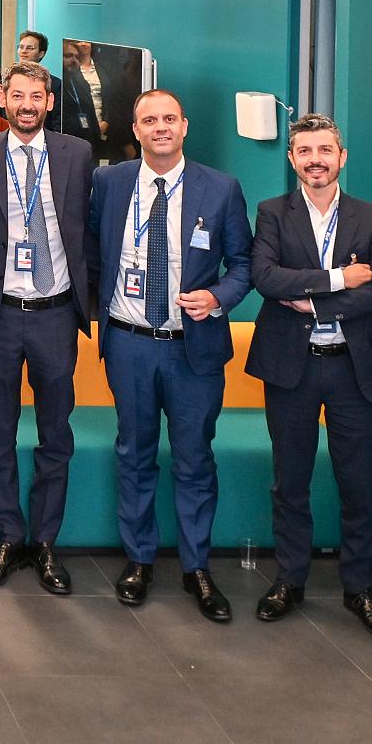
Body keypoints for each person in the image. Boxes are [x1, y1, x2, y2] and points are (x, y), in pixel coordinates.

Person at [88, 90, 252, 619]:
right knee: (134, 453)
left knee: (194, 458)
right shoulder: (109, 183)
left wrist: (218, 298)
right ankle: (138, 560)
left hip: (193, 348)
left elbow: (244, 265)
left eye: (169, 119)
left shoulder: (221, 188)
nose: (160, 127)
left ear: (185, 126)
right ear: (135, 130)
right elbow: (91, 253)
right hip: (130, 344)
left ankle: (196, 567)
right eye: (149, 120)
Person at [247, 115, 372, 636]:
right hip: (291, 366)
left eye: (325, 150)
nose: (316, 159)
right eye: (305, 151)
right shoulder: (272, 213)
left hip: (356, 370)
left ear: (342, 157)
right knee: (290, 479)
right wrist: (339, 278)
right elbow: (266, 278)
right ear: (292, 158)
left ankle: (359, 588)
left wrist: (315, 304)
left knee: (360, 483)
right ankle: (289, 579)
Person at [0, 63, 96, 593]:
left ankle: (44, 541)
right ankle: (8, 536)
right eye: (17, 95)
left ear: (49, 101)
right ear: (3, 99)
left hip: (56, 314)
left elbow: (91, 228)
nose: (26, 105)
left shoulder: (76, 154)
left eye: (35, 96)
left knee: (55, 433)